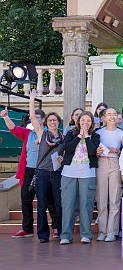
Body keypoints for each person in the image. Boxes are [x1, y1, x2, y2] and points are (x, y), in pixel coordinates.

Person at [1, 108, 58, 239]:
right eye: (33, 118)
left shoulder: (49, 133)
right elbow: (13, 129)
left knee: (49, 200)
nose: (35, 120)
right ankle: (27, 229)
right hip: (29, 170)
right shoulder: (28, 133)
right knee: (26, 199)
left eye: (38, 118)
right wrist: (5, 117)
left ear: (43, 120)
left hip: (44, 171)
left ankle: (55, 227)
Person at [58, 111, 101, 245]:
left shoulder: (95, 136)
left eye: (88, 121)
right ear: (78, 121)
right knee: (68, 205)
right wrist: (78, 137)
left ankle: (86, 234)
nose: (85, 123)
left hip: (87, 174)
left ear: (92, 123)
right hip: (69, 173)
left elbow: (93, 151)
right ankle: (65, 235)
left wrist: (86, 137)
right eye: (83, 120)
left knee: (86, 205)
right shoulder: (71, 134)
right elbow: (68, 149)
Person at [29, 90, 63, 243]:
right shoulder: (42, 134)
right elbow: (32, 117)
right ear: (46, 122)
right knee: (42, 205)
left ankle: (59, 229)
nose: (52, 122)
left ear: (58, 122)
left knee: (57, 203)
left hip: (57, 174)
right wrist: (32, 99)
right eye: (50, 120)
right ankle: (43, 235)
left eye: (55, 120)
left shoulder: (63, 137)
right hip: (42, 173)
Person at [95, 108, 123, 242]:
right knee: (101, 199)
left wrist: (118, 151)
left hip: (115, 163)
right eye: (109, 114)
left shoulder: (122, 133)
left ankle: (112, 231)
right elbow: (92, 152)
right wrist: (97, 151)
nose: (112, 117)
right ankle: (102, 231)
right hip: (101, 163)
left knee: (114, 199)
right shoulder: (98, 133)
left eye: (114, 114)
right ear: (104, 117)